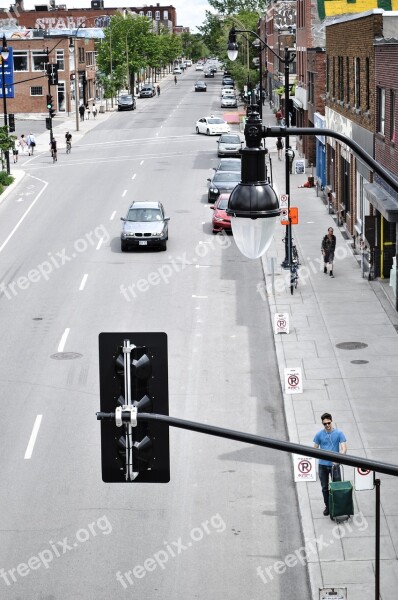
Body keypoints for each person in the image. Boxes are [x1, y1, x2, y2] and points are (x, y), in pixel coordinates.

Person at [313, 413, 347, 516]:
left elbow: (344, 448)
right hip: (322, 465)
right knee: (324, 487)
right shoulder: (319, 434)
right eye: (325, 424)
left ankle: (338, 506)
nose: (327, 425)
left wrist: (338, 459)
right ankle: (327, 506)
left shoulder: (339, 433)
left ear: (331, 421)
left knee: (337, 486)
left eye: (328, 423)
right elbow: (314, 448)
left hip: (334, 465)